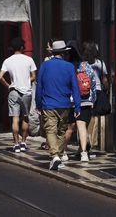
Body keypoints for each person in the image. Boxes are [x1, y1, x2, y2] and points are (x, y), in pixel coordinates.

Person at [35, 40, 81, 171]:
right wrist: (77, 106)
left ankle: (55, 155)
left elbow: (40, 87)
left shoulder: (44, 66)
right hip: (65, 104)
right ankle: (58, 156)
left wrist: (38, 103)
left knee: (50, 129)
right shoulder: (70, 67)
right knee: (61, 131)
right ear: (64, 53)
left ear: (53, 52)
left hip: (48, 104)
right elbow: (75, 87)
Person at [0, 37, 37, 153]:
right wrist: (26, 80)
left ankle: (16, 144)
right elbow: (34, 77)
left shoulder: (7, 61)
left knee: (15, 118)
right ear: (21, 47)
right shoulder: (29, 60)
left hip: (13, 91)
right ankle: (24, 143)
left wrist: (8, 85)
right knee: (25, 117)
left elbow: (0, 77)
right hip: (27, 92)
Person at [82, 41, 108, 155]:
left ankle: (86, 144)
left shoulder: (83, 65)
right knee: (94, 118)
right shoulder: (100, 63)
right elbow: (105, 80)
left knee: (86, 119)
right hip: (97, 91)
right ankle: (90, 144)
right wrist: (106, 90)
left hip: (86, 93)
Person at [75, 54, 99, 162]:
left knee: (79, 126)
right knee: (84, 126)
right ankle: (83, 149)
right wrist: (93, 100)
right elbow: (93, 85)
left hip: (75, 101)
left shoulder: (72, 67)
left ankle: (83, 151)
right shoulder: (89, 68)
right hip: (87, 101)